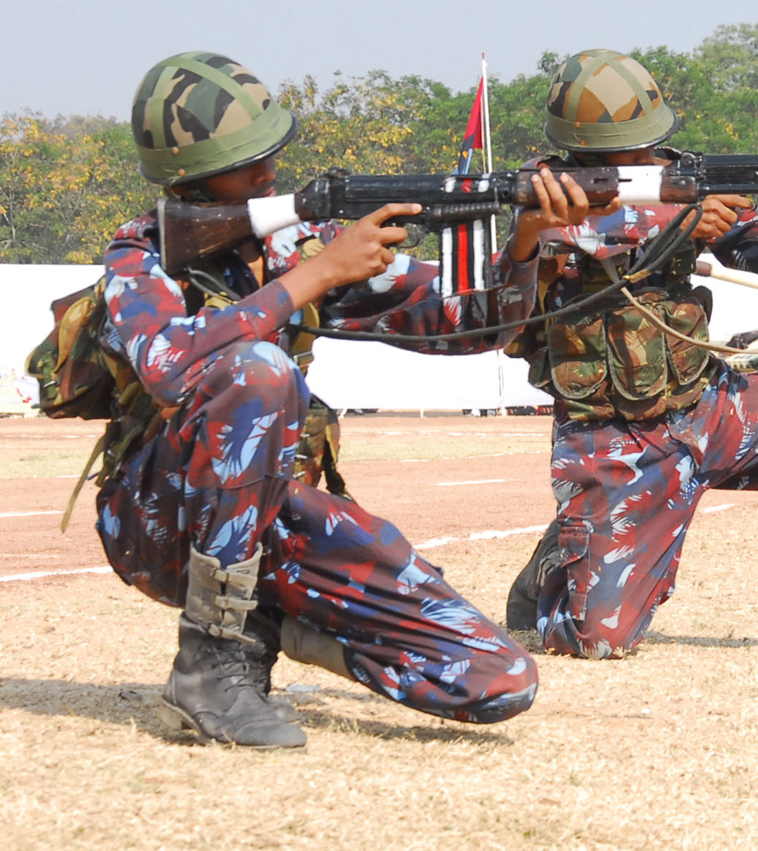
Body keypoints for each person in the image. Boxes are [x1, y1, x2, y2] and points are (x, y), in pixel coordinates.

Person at [93, 52, 539, 747]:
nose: (270, 176)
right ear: (192, 178)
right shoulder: (139, 256)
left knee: (495, 678)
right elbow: (168, 364)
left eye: (271, 156)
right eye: (248, 165)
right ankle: (209, 664)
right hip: (159, 521)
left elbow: (470, 327)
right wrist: (315, 276)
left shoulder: (295, 246)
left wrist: (531, 240)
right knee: (261, 371)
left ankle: (273, 626)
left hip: (276, 519)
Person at [503, 49, 758, 664]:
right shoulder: (541, 191)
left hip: (708, 407)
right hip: (614, 439)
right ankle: (557, 561)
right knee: (598, 639)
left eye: (649, 145)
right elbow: (523, 274)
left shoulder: (685, 178)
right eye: (627, 152)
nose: (646, 160)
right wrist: (672, 222)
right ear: (582, 152)